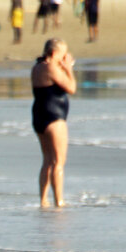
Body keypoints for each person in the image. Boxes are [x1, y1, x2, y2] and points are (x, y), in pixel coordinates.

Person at [30, 38, 77, 208]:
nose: (65, 58)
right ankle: (59, 201)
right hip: (54, 117)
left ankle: (43, 201)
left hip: (39, 116)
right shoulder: (51, 68)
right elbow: (71, 88)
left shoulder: (37, 67)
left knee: (47, 160)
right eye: (64, 54)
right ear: (56, 53)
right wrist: (69, 69)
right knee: (58, 162)